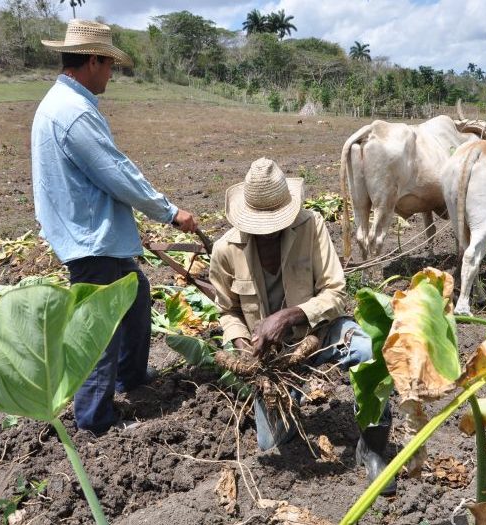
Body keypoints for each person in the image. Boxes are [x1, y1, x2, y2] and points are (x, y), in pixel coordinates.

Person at [31, 20, 197, 434]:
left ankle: (131, 379)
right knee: (98, 332)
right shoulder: (73, 112)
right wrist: (170, 212)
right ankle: (94, 421)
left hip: (95, 235)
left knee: (138, 297)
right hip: (91, 239)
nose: (111, 75)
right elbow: (117, 173)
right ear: (92, 61)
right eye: (109, 66)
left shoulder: (65, 104)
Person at [209, 157, 396, 495]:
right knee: (270, 443)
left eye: (275, 226)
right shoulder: (225, 250)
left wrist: (292, 315)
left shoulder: (311, 227)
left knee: (369, 350)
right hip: (273, 361)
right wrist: (242, 347)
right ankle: (289, 409)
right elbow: (228, 311)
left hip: (320, 334)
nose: (268, 234)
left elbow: (336, 292)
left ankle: (371, 450)